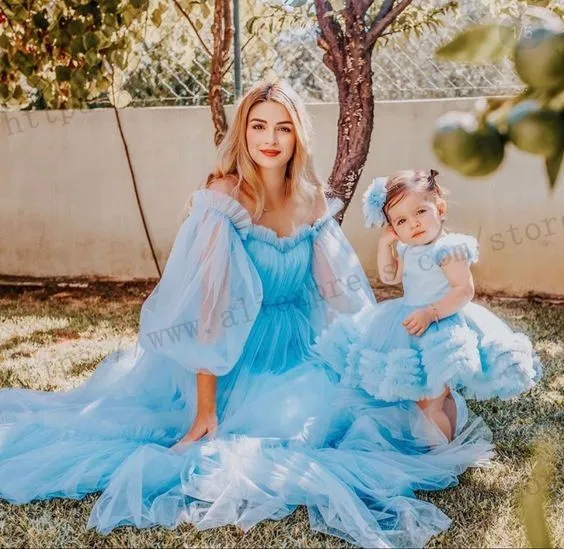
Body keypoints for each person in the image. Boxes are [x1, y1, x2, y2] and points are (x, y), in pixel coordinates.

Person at [0, 83, 493, 548]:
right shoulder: (224, 199)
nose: (270, 139)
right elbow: (209, 313)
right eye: (258, 125)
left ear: (298, 133)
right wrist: (205, 410)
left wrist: (378, 356)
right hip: (238, 351)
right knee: (266, 437)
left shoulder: (312, 199)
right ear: (243, 131)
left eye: (282, 126)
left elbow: (339, 295)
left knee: (361, 415)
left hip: (300, 343)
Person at [314, 169, 542, 440]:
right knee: (431, 395)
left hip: (441, 324)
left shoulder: (447, 249)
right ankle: (446, 442)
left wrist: (431, 312)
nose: (414, 224)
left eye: (420, 212)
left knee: (429, 400)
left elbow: (464, 290)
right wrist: (385, 245)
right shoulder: (407, 248)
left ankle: (441, 453)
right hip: (412, 321)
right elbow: (389, 277)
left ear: (440, 208)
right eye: (401, 221)